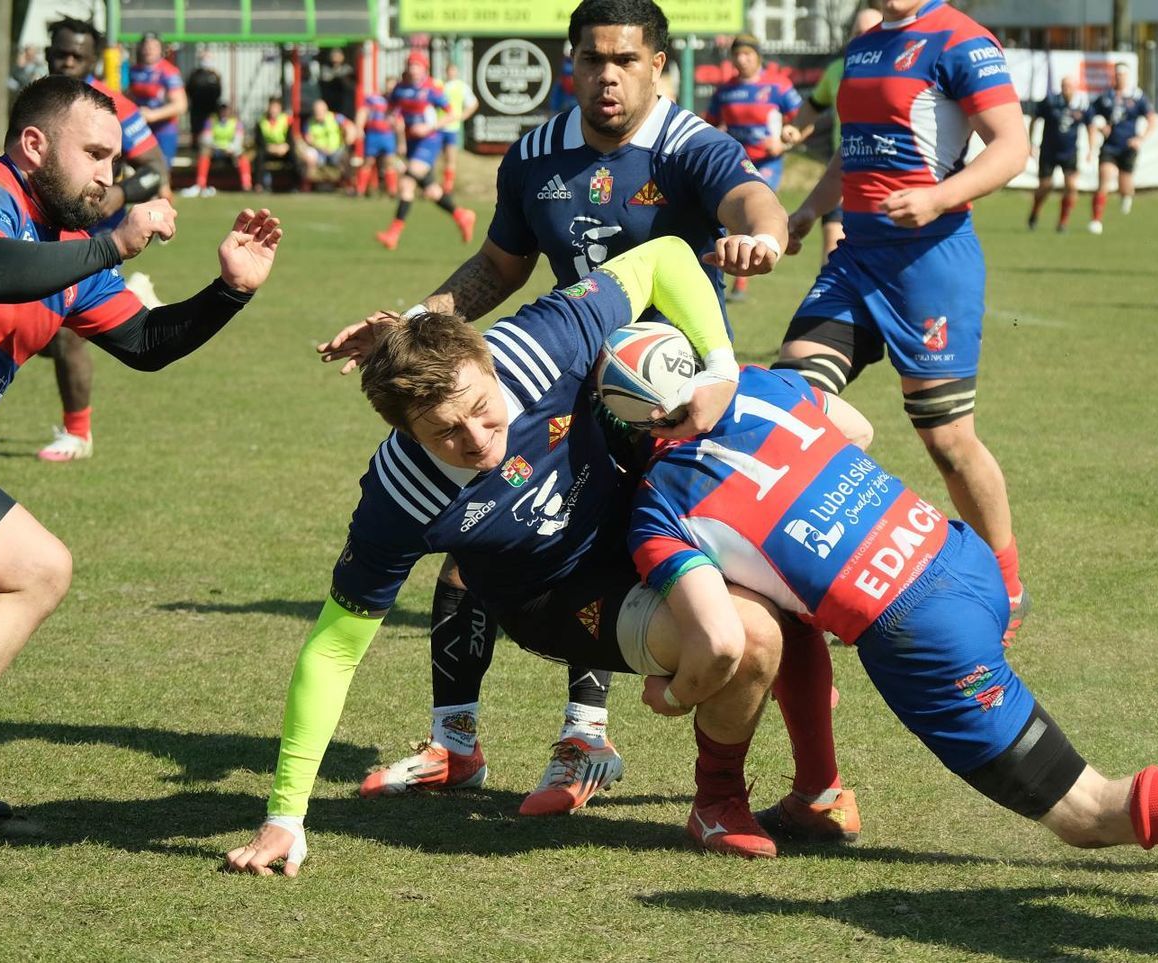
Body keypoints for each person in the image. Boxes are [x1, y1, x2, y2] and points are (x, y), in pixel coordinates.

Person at [318, 0, 848, 838]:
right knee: (476, 550)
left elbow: (754, 200)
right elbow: (499, 266)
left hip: (677, 407)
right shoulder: (534, 154)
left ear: (659, 66)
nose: (607, 76)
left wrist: (767, 238)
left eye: (626, 60)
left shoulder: (689, 145)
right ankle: (458, 742)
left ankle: (599, 741)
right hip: (575, 388)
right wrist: (414, 330)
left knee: (721, 579)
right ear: (570, 61)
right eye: (592, 59)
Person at [225, 236, 790, 876]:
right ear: (405, 431)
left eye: (481, 410)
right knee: (750, 636)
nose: (476, 440)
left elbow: (663, 258)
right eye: (443, 432)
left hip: (647, 522)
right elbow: (332, 650)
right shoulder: (400, 496)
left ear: (490, 366)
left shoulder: (540, 346)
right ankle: (719, 800)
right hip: (554, 596)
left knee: (792, 567)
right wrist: (283, 817)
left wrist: (719, 366)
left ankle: (815, 789)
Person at [630, 363, 1158, 855]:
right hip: (960, 555)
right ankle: (816, 795)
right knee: (791, 604)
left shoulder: (658, 503)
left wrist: (675, 695)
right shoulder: (758, 382)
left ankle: (801, 794)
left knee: (1090, 813)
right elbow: (858, 430)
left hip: (928, 633)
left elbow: (719, 640)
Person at [0, 75, 282, 825]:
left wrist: (229, 291)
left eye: (114, 161)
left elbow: (147, 343)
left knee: (36, 569)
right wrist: (113, 240)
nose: (108, 177)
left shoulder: (70, 251)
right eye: (94, 155)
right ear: (33, 145)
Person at [778, 0, 1032, 645]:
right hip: (854, 259)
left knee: (946, 440)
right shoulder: (864, 46)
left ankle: (1005, 584)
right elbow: (851, 153)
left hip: (930, 265)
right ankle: (813, 594)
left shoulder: (962, 41)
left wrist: (940, 196)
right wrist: (808, 212)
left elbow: (1012, 147)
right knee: (791, 412)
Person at [38, 16, 172, 463]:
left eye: (79, 55)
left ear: (95, 60)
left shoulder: (115, 107)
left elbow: (156, 170)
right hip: (38, 229)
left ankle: (78, 434)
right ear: (48, 53)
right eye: (61, 53)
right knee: (31, 328)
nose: (68, 61)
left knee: (63, 335)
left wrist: (118, 194)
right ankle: (131, 295)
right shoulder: (36, 101)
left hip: (92, 239)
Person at [780, 8, 884, 267]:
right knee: (832, 250)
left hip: (883, 179)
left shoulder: (898, 71)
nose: (863, 38)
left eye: (871, 32)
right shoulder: (838, 70)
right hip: (842, 171)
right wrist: (797, 128)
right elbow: (814, 105)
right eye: (857, 33)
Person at [704, 35, 801, 302]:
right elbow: (709, 125)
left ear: (758, 56)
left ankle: (741, 283)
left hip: (767, 164)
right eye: (737, 54)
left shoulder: (778, 86)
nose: (742, 59)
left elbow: (803, 121)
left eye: (748, 54)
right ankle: (782, 236)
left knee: (752, 212)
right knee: (733, 218)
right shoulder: (725, 91)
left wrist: (782, 143)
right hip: (735, 166)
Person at [375, 52, 476, 250]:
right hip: (412, 143)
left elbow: (452, 114)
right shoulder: (400, 88)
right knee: (429, 191)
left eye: (417, 65)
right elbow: (390, 111)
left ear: (425, 68)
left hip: (429, 141)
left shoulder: (431, 89)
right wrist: (393, 122)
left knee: (406, 181)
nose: (413, 68)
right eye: (410, 64)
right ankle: (462, 215)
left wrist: (429, 128)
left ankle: (393, 235)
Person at [1087, 62, 1155, 234]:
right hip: (1110, 146)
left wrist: (1140, 139)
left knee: (1125, 186)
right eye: (1117, 74)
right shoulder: (1106, 97)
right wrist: (1101, 126)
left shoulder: (1137, 97)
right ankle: (1096, 220)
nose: (1120, 78)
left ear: (1128, 76)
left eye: (1123, 75)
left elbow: (1152, 120)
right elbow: (1090, 115)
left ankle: (1126, 196)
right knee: (1104, 178)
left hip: (1127, 148)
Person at [1027, 75, 1091, 233]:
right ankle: (1035, 212)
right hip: (1048, 151)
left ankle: (1063, 223)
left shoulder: (1082, 104)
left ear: (1075, 88)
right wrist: (1030, 143)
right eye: (1064, 86)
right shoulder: (1050, 102)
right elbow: (1034, 119)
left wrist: (1091, 148)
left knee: (1071, 186)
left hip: (1069, 152)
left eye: (1070, 86)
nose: (1066, 90)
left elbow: (1091, 126)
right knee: (1045, 186)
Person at [127, 32, 187, 170]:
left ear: (161, 49)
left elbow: (180, 105)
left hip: (164, 129)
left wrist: (153, 115)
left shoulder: (168, 72)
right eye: (146, 46)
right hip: (140, 127)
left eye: (153, 46)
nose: (149, 50)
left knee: (161, 171)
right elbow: (129, 97)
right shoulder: (134, 71)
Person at [185, 102, 252, 196]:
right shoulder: (211, 121)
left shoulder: (236, 123)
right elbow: (206, 138)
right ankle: (200, 184)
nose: (224, 113)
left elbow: (238, 140)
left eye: (226, 110)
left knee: (243, 156)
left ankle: (246, 184)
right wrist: (217, 147)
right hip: (215, 150)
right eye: (222, 110)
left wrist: (230, 148)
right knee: (204, 153)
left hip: (231, 151)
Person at [435, 62, 478, 194]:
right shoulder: (439, 85)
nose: (451, 73)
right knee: (434, 157)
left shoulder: (461, 86)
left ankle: (447, 186)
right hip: (437, 126)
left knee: (450, 157)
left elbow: (473, 103)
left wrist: (463, 116)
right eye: (449, 70)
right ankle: (432, 185)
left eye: (453, 70)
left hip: (452, 127)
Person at [296, 99, 353, 191]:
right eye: (316, 111)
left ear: (326, 110)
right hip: (319, 151)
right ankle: (307, 185)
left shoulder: (336, 117)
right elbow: (307, 139)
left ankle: (347, 184)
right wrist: (320, 147)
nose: (318, 113)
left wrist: (348, 138)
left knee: (346, 157)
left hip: (336, 150)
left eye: (320, 111)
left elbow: (350, 126)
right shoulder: (310, 122)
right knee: (309, 155)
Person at [354, 86, 400, 197]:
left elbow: (399, 119)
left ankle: (392, 191)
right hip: (373, 134)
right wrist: (359, 127)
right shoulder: (374, 98)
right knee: (368, 161)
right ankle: (360, 189)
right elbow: (363, 111)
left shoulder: (397, 101)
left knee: (389, 162)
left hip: (388, 135)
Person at [255, 97, 297, 193]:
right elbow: (259, 140)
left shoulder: (286, 120)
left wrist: (285, 146)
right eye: (272, 107)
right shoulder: (261, 121)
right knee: (259, 156)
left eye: (276, 107)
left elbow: (290, 139)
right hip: (268, 150)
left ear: (280, 108)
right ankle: (259, 185)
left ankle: (295, 185)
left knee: (294, 156)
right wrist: (270, 148)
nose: (273, 110)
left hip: (283, 150)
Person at [185, 52, 223, 144]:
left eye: (208, 58)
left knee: (209, 128)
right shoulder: (194, 74)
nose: (206, 60)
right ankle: (195, 147)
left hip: (211, 108)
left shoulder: (215, 74)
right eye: (204, 58)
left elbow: (219, 91)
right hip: (196, 107)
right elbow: (188, 89)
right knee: (196, 129)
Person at [318, 47, 356, 117]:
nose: (336, 57)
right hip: (330, 101)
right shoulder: (325, 69)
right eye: (334, 55)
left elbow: (350, 85)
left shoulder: (347, 69)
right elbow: (325, 82)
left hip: (344, 101)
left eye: (338, 55)